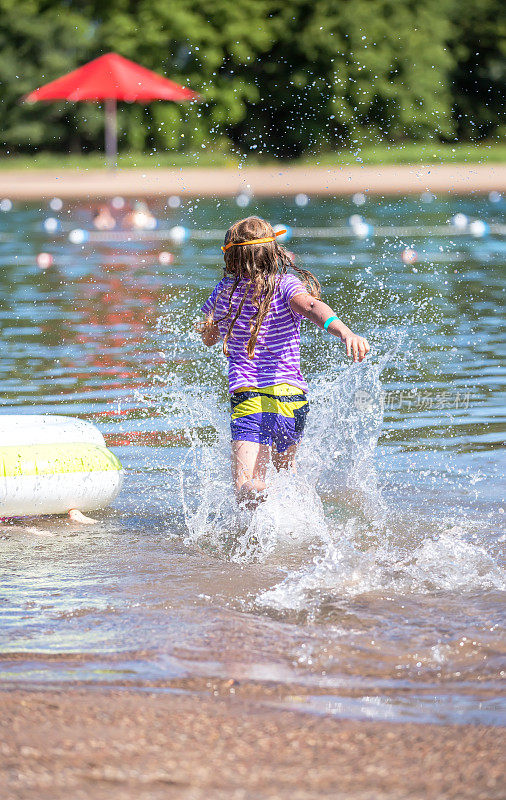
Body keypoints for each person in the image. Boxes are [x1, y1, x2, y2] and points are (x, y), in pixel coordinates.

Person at [199, 216, 370, 507]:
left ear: (231, 257)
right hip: (291, 399)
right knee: (287, 476)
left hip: (249, 397)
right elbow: (313, 307)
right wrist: (345, 332)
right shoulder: (287, 285)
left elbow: (209, 337)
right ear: (272, 251)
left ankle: (256, 498)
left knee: (246, 483)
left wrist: (211, 327)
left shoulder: (224, 293)